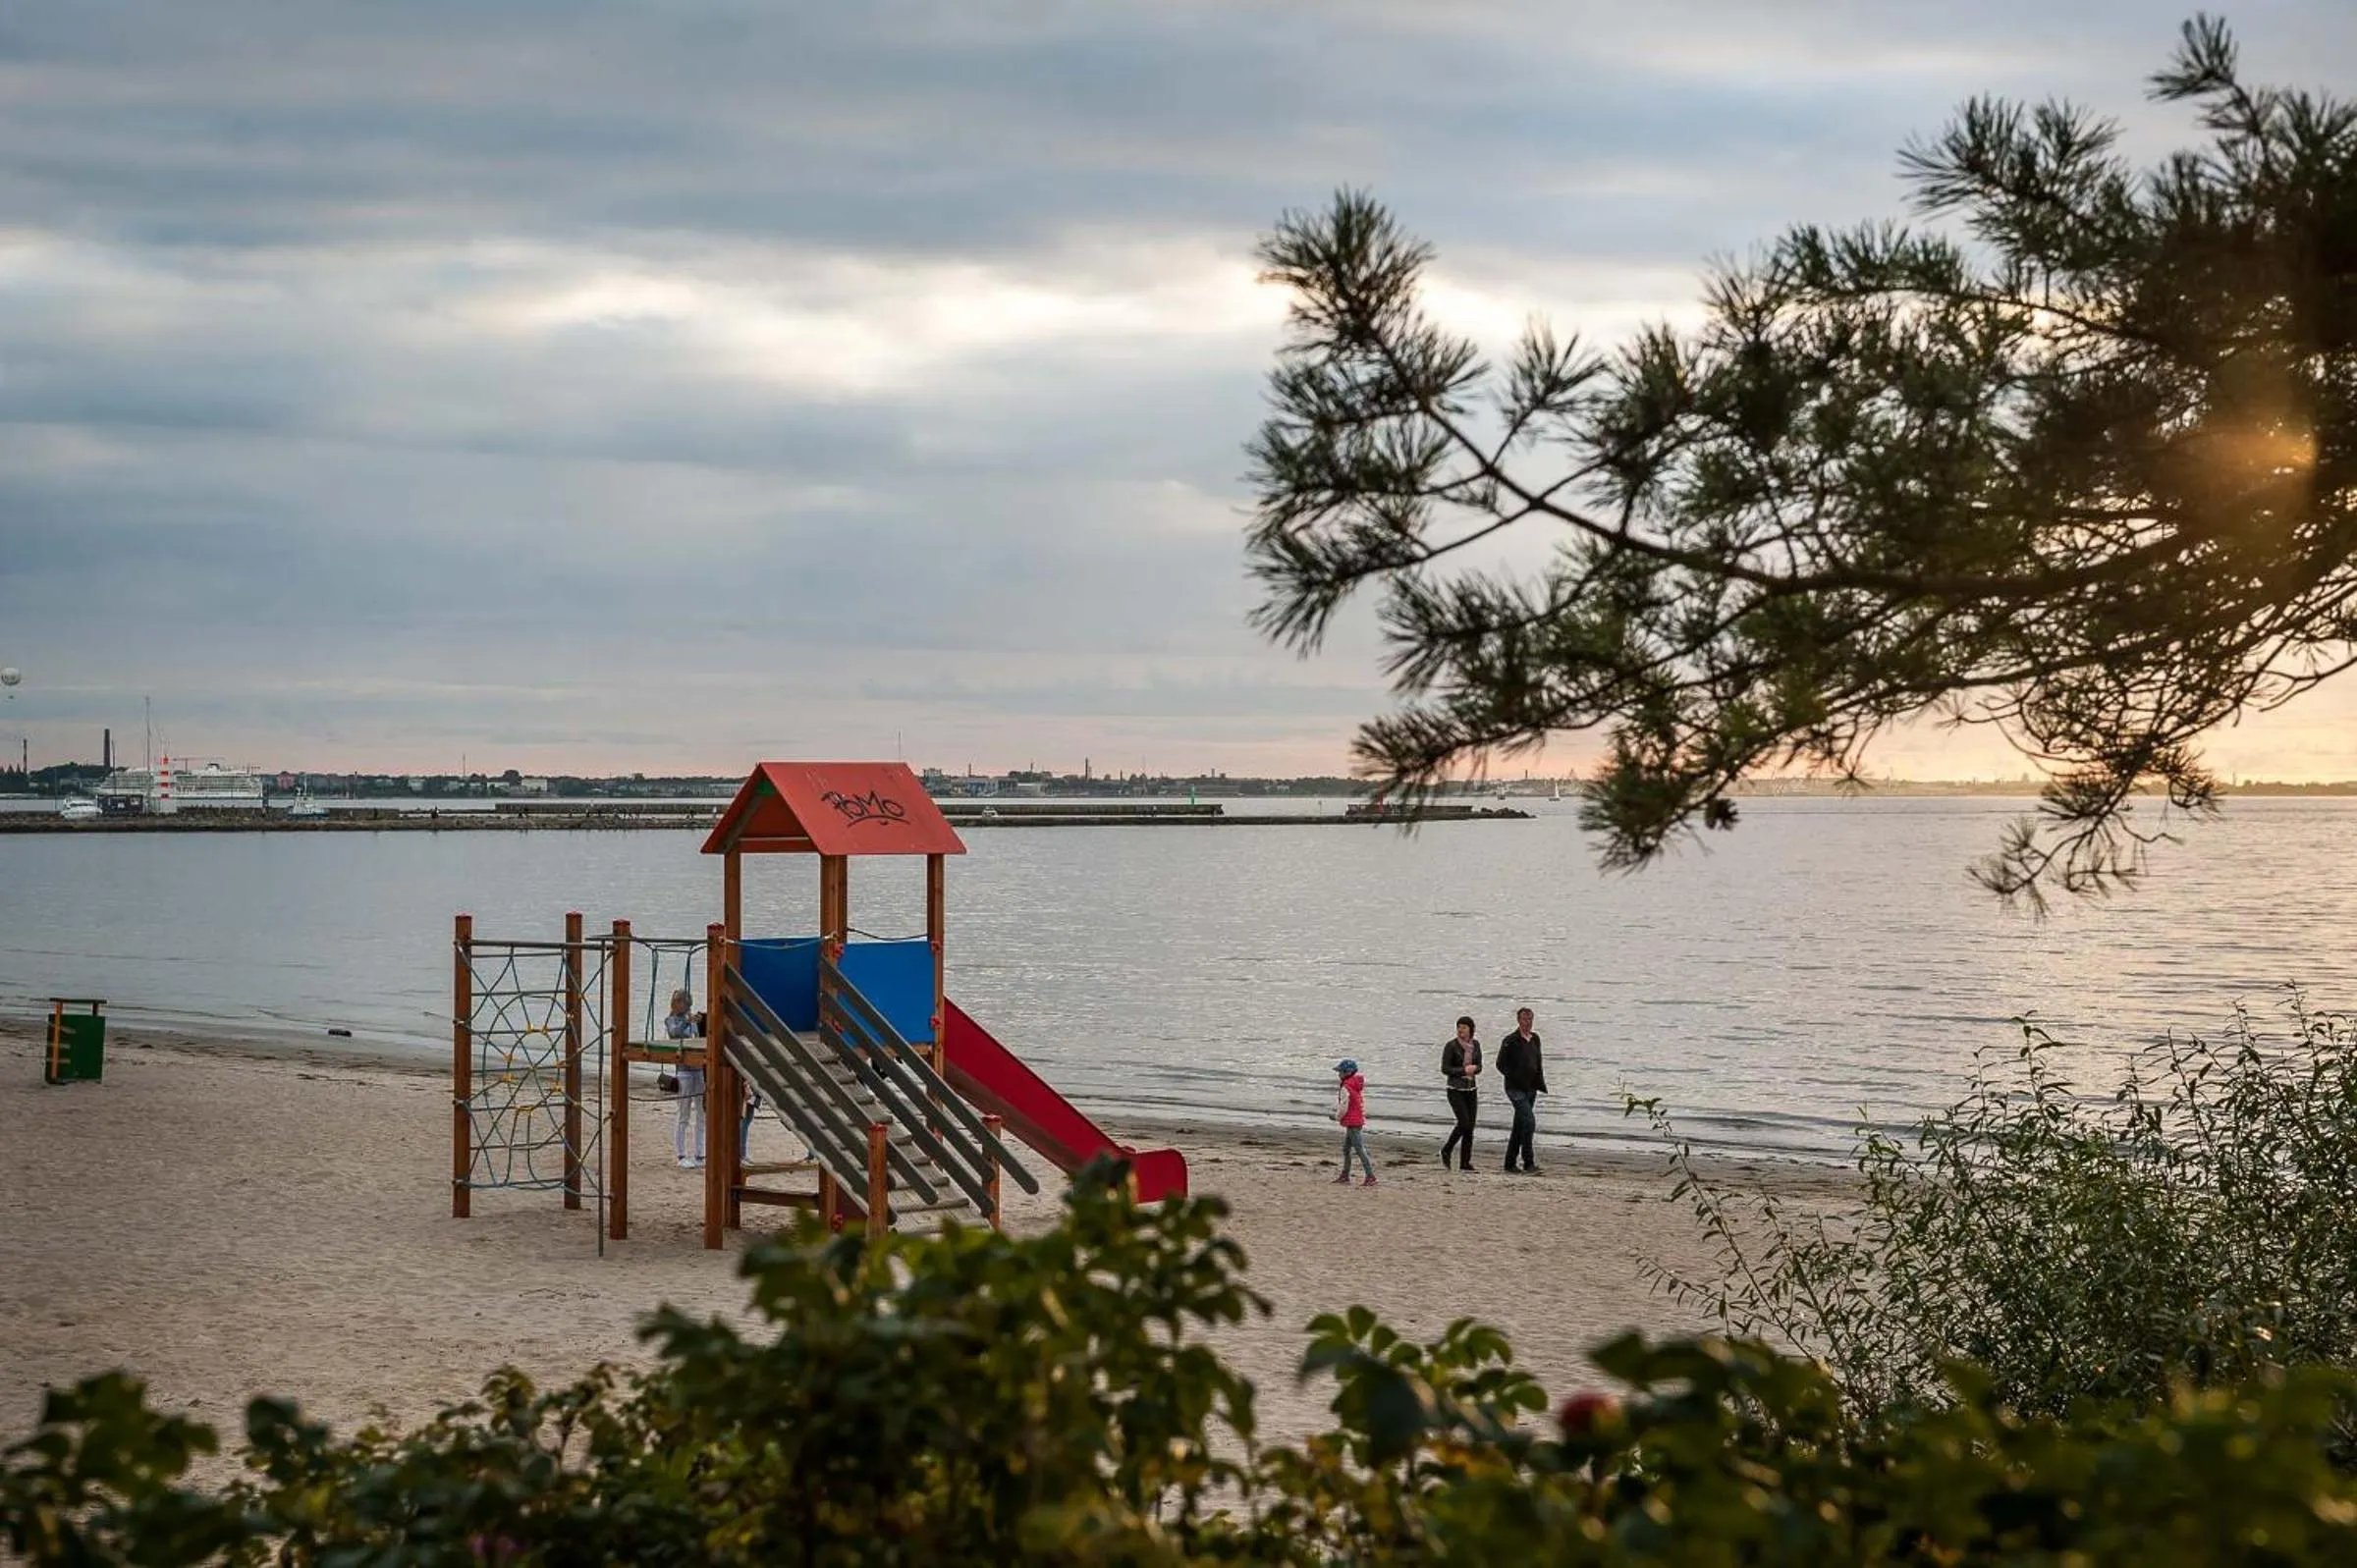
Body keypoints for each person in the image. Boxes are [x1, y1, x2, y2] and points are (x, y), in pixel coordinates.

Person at [1497, 1006, 1548, 1174]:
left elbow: (1537, 1062)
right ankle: (1528, 1162)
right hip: (1515, 1089)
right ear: (1518, 1020)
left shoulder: (1535, 1039)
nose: (1528, 1023)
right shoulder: (1510, 1040)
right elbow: (1500, 1064)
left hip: (1531, 1088)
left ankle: (1509, 1163)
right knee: (1529, 1122)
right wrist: (1515, 1077)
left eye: (1530, 1019)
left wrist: (1538, 1082)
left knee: (1519, 1125)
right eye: (1525, 1019)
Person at [665, 987, 705, 1170]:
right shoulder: (671, 1020)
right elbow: (675, 1033)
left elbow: (696, 1038)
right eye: (682, 1002)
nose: (685, 1005)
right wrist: (686, 1022)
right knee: (684, 1115)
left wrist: (697, 1021)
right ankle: (681, 1155)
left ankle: (699, 1153)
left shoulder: (691, 1020)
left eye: (686, 1002)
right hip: (684, 1071)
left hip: (698, 1070)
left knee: (701, 1113)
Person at [1440, 1015, 1482, 1171]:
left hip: (1471, 1089)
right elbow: (1445, 1069)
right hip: (1455, 1089)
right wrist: (1463, 1070)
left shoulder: (1475, 1045)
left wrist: (1475, 1069)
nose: (1461, 1030)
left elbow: (1480, 1066)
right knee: (1463, 1123)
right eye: (1459, 1027)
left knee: (1470, 1127)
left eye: (1464, 1027)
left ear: (1471, 1029)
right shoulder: (1451, 1046)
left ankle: (1465, 1162)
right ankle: (1447, 1149)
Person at [1333, 1058, 1375, 1186]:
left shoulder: (1346, 1087)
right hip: (1356, 1120)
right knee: (1346, 1149)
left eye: (1340, 1071)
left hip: (1353, 1121)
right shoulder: (1354, 1085)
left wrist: (1337, 1117)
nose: (1339, 1074)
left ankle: (1370, 1176)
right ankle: (1345, 1175)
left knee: (1359, 1149)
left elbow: (1344, 1106)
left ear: (1347, 1072)